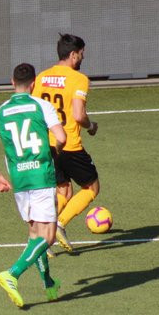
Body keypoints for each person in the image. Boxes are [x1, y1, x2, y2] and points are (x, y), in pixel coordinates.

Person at [0, 63, 68, 308]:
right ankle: (12, 274)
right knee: (48, 237)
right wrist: (56, 152)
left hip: (19, 180)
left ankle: (49, 284)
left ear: (11, 82)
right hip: (41, 176)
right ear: (34, 83)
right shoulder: (42, 106)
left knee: (34, 235)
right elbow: (61, 137)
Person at [31, 33, 99, 255]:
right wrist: (91, 126)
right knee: (91, 187)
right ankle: (59, 224)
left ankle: (43, 236)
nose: (82, 58)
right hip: (69, 144)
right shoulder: (79, 79)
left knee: (64, 190)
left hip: (47, 144)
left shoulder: (41, 78)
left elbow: (35, 110)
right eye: (81, 54)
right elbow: (79, 115)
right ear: (72, 54)